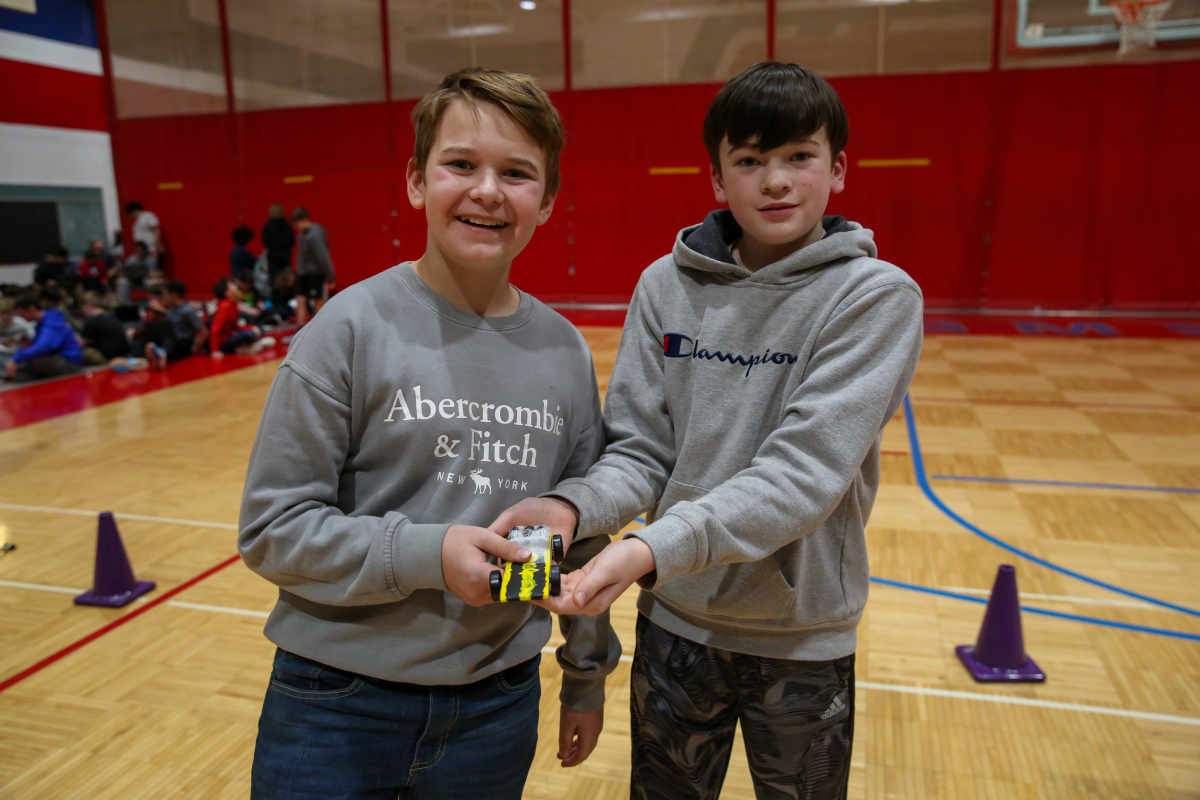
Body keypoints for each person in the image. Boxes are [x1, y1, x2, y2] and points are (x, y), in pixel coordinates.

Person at [493, 62, 925, 800]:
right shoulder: (667, 285)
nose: (777, 181)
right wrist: (572, 509)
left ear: (839, 168)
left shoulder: (874, 296)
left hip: (800, 637)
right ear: (719, 180)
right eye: (751, 161)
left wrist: (645, 550)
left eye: (799, 157)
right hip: (676, 623)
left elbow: (803, 476)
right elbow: (640, 450)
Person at [238, 68, 619, 800]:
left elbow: (583, 531)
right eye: (460, 165)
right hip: (335, 704)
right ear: (417, 181)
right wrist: (427, 553)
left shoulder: (564, 350)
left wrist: (585, 676)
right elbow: (272, 529)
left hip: (497, 705)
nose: (487, 191)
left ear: (546, 201)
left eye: (516, 173)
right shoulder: (347, 329)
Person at [4, 294, 85, 380]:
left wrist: (15, 359)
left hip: (69, 361)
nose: (21, 316)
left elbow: (44, 346)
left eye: (21, 313)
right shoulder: (44, 321)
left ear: (31, 308)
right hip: (61, 357)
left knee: (28, 364)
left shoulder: (52, 323)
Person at [131, 280, 202, 370]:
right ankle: (137, 360)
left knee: (168, 336)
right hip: (170, 340)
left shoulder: (187, 310)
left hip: (181, 341)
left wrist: (196, 348)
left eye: (165, 294)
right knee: (140, 336)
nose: (163, 297)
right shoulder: (172, 308)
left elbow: (203, 331)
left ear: (174, 295)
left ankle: (161, 355)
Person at [291, 206, 334, 327]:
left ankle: (322, 330)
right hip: (302, 273)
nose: (296, 227)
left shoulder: (315, 235)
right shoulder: (302, 234)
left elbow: (323, 257)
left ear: (304, 219)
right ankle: (300, 330)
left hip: (315, 274)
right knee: (300, 300)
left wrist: (330, 276)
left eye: (297, 223)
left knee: (318, 301)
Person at [209, 276, 274, 357]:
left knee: (259, 328)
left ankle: (249, 345)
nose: (236, 287)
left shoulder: (232, 304)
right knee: (249, 334)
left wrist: (251, 327)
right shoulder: (224, 306)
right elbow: (215, 330)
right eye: (233, 286)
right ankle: (254, 344)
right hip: (223, 341)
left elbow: (235, 326)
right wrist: (214, 351)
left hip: (231, 335)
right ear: (227, 292)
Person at [79, 294, 130, 365]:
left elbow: (81, 343)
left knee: (82, 351)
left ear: (88, 305)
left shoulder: (92, 320)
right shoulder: (111, 317)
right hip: (123, 355)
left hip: (108, 358)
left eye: (83, 307)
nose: (83, 310)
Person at [261, 203, 295, 277]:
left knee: (274, 279)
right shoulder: (287, 225)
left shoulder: (267, 226)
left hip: (273, 258)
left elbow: (265, 243)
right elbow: (292, 241)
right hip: (285, 257)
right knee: (286, 279)